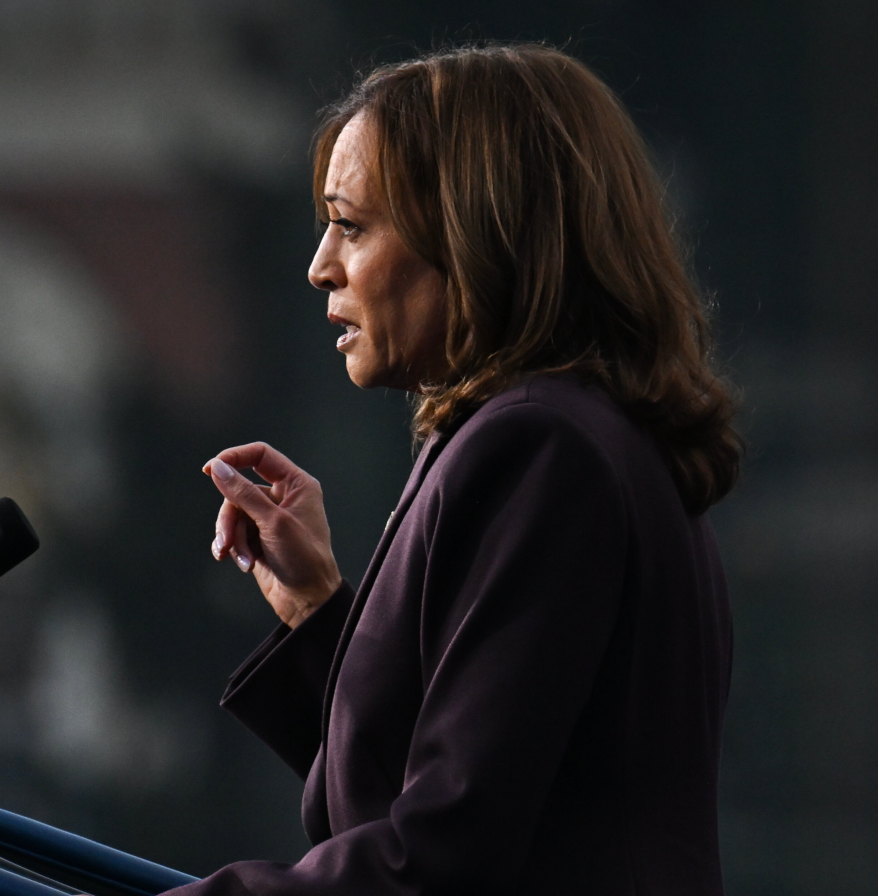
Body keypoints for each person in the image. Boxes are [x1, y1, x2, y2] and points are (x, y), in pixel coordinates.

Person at [169, 42, 742, 895]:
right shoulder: (572, 435)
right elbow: (447, 788)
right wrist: (321, 613)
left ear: (478, 231)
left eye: (352, 224)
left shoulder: (539, 447)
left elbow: (444, 855)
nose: (321, 265)